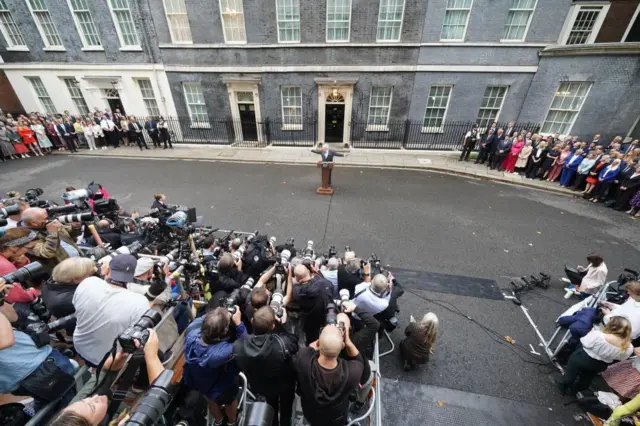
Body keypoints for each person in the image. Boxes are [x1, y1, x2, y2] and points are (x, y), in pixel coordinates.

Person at [47, 329, 164, 426]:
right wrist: (151, 356)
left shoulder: (75, 414)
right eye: (92, 406)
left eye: (85, 400)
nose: (95, 397)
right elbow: (162, 394)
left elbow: (102, 376)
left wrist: (118, 359)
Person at [72, 254, 150, 366]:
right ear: (133, 276)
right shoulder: (140, 301)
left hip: (80, 347)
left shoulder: (87, 283)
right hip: (109, 360)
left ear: (108, 269)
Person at [0, 298, 77, 410]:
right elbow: (7, 341)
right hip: (28, 373)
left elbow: (13, 317)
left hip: (41, 358)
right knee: (67, 403)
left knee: (48, 403)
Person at [293, 312, 364, 426]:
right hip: (336, 418)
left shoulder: (303, 360)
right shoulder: (352, 373)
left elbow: (309, 348)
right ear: (342, 346)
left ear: (319, 343)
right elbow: (358, 360)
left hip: (311, 412)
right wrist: (346, 340)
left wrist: (325, 338)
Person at [233, 307, 298, 426]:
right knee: (286, 408)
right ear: (273, 327)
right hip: (284, 385)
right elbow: (294, 342)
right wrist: (284, 324)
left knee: (270, 406)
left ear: (252, 321)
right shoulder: (282, 344)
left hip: (260, 386)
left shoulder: (239, 346)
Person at [184, 307, 247, 426]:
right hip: (222, 385)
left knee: (210, 399)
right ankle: (232, 421)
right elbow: (245, 345)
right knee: (230, 401)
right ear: (224, 333)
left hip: (201, 381)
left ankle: (218, 421)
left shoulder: (191, 333)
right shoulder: (219, 354)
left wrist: (219, 314)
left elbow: (205, 319)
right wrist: (238, 323)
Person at [555, 317, 634, 395]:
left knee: (570, 374)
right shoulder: (628, 346)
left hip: (582, 358)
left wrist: (590, 333)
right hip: (600, 365)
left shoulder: (599, 335)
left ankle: (563, 386)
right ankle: (576, 389)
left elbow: (585, 343)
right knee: (587, 377)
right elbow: (621, 358)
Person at [21, 207, 80, 275]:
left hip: (77, 260)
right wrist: (52, 233)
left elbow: (68, 233)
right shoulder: (26, 237)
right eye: (45, 219)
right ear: (33, 223)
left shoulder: (46, 223)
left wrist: (74, 227)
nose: (48, 220)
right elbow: (47, 253)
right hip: (65, 271)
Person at [0, 228, 39, 304]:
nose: (28, 251)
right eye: (29, 248)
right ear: (13, 247)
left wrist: (20, 264)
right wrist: (35, 292)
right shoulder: (5, 265)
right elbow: (16, 297)